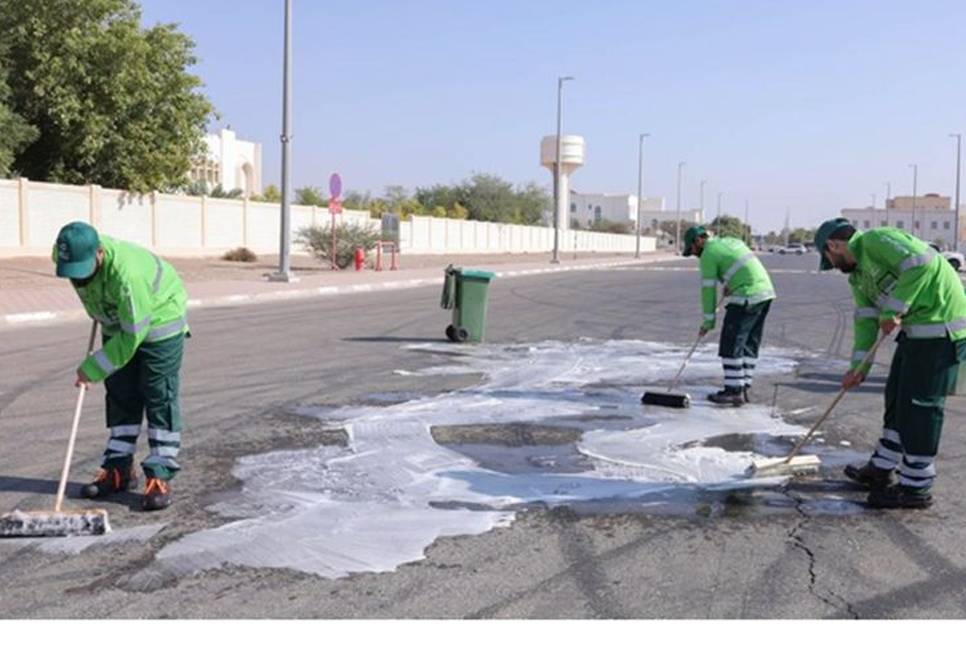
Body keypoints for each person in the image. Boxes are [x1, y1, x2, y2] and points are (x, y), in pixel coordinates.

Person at [815, 218, 966, 509]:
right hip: (916, 334)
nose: (832, 264)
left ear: (833, 245)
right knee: (896, 400)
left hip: (942, 332)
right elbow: (866, 323)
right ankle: (882, 468)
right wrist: (858, 369)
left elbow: (920, 262)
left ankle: (916, 487)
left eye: (829, 258)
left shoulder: (876, 240)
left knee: (920, 408)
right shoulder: (858, 277)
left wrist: (895, 308)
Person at [53, 221, 188, 511]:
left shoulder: (129, 277)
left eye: (82, 270)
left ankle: (160, 475)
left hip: (160, 320)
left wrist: (92, 368)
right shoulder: (65, 254)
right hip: (118, 319)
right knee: (121, 393)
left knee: (157, 394)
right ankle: (118, 470)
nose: (77, 280)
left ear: (99, 253)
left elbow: (132, 336)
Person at [682, 226, 776, 406]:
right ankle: (744, 387)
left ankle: (734, 391)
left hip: (747, 295)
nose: (694, 254)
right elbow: (740, 266)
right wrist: (732, 283)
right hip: (765, 292)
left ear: (698, 241)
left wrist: (708, 321)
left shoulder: (708, 254)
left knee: (731, 343)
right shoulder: (729, 241)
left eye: (692, 250)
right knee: (749, 343)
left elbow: (707, 290)